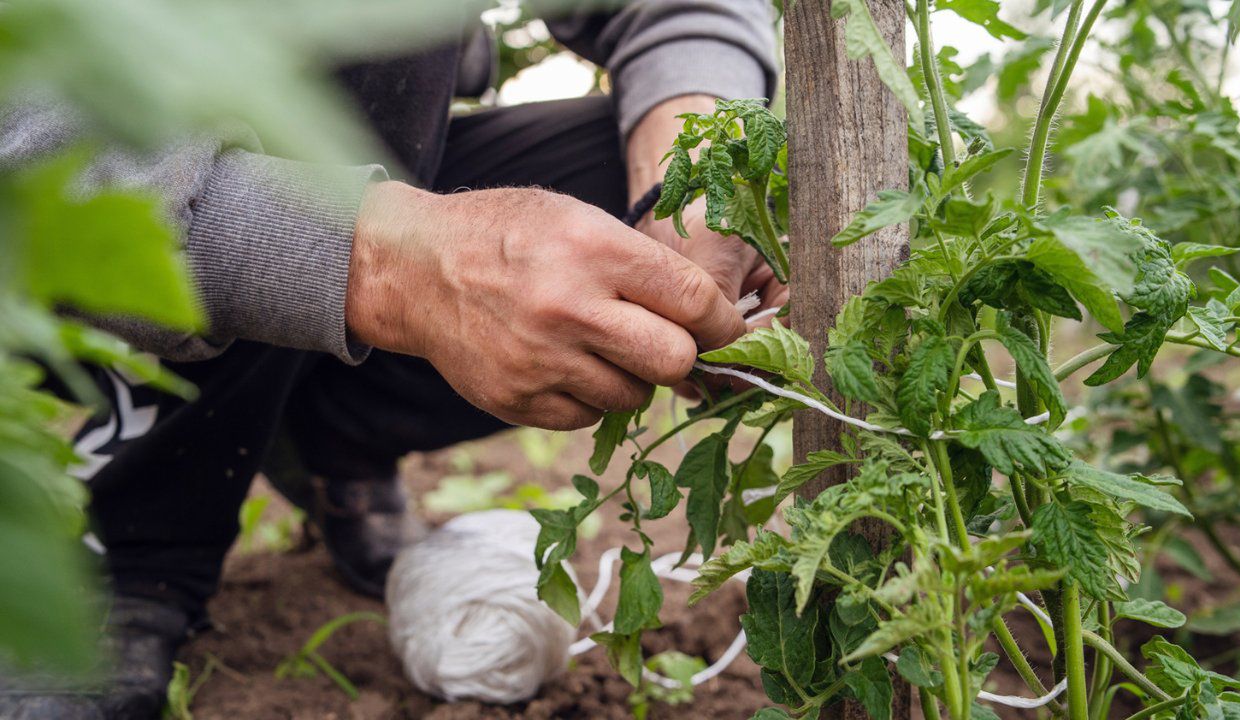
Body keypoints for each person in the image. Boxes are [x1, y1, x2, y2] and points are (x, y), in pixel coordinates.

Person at [0, 2, 781, 718]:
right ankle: (135, 535)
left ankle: (326, 429)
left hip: (363, 151)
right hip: (80, 199)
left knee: (734, 191)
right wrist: (390, 267)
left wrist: (695, 174)